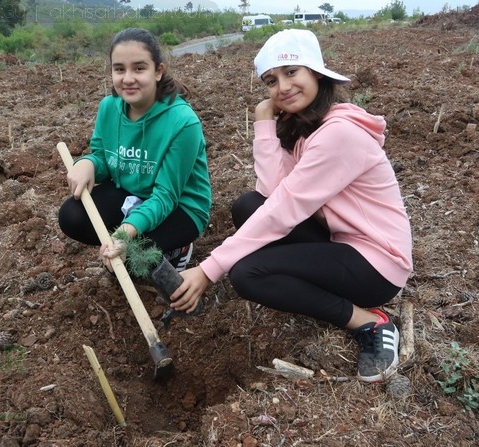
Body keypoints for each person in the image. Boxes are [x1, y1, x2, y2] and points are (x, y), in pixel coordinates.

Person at [171, 29, 413, 383]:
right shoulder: (309, 129)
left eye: (291, 72)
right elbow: (270, 192)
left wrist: (209, 268)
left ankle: (368, 322)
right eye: (271, 80)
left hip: (377, 263)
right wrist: (265, 121)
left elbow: (282, 209)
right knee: (247, 206)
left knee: (247, 273)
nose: (282, 87)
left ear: (317, 73)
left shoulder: (338, 135)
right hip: (342, 241)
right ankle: (302, 275)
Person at [58, 28, 212, 275]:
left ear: (158, 71)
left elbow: (166, 195)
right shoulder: (109, 108)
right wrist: (88, 163)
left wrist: (125, 233)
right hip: (131, 193)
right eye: (119, 69)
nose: (128, 78)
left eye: (139, 68)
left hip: (179, 206)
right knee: (72, 216)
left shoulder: (183, 122)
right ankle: (141, 233)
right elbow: (103, 157)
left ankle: (178, 249)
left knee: (131, 261)